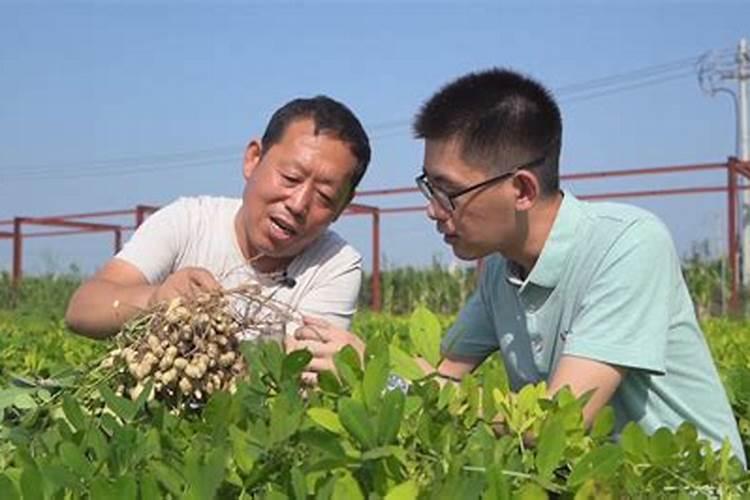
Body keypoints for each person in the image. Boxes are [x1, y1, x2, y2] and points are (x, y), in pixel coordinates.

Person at [288, 69, 746, 466]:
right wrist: (356, 367)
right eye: (429, 187)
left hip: (687, 483)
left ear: (522, 190)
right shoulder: (499, 272)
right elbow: (443, 378)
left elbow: (554, 425)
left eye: (447, 191)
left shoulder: (627, 245)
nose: (432, 210)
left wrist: (381, 377)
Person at [66, 95, 371, 340]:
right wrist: (156, 299)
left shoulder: (336, 264)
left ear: (343, 207)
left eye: (325, 197)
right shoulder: (188, 221)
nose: (298, 204)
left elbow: (298, 374)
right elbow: (83, 308)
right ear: (253, 159)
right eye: (290, 177)